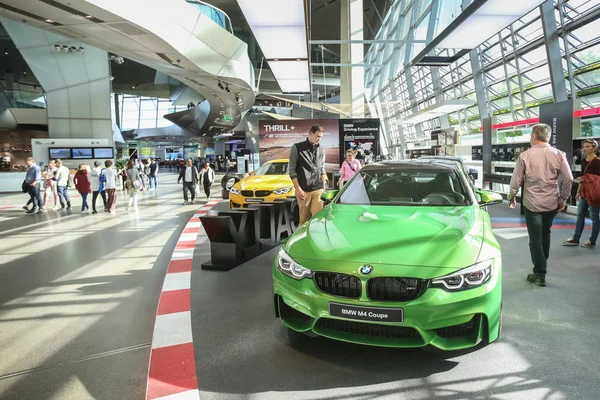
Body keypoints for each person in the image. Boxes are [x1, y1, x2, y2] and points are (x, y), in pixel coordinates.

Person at [507, 123, 573, 287]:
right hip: (551, 203)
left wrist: (511, 197)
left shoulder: (525, 156)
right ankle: (542, 263)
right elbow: (569, 178)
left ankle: (539, 273)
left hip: (532, 203)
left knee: (535, 239)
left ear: (534, 137)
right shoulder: (559, 154)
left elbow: (516, 180)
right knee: (546, 233)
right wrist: (563, 199)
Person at [563, 139, 600, 248]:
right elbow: (582, 178)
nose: (585, 148)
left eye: (588, 146)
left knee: (594, 217)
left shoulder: (597, 161)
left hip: (593, 193)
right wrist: (578, 191)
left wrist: (588, 179)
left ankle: (592, 240)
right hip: (584, 191)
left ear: (594, 148)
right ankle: (576, 238)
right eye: (584, 146)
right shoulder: (584, 161)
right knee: (580, 215)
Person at [288, 125, 326, 226]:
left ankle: (317, 240)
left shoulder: (321, 149)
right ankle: (301, 240)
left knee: (318, 220)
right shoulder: (297, 148)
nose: (319, 139)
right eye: (318, 136)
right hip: (303, 190)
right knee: (304, 220)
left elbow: (322, 169)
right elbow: (292, 171)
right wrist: (298, 189)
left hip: (318, 189)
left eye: (321, 137)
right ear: (310, 134)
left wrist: (324, 188)